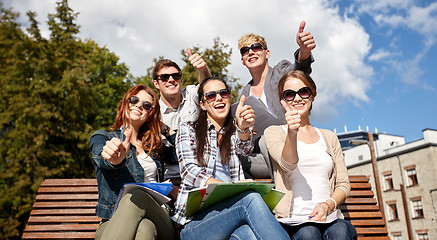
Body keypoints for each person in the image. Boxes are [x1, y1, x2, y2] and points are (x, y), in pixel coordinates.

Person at [172, 77, 290, 239]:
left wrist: (242, 127)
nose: (219, 98)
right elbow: (190, 171)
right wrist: (229, 188)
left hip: (231, 216)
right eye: (211, 96)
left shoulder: (232, 133)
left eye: (223, 93)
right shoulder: (188, 129)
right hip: (194, 223)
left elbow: (245, 149)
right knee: (250, 198)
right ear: (202, 104)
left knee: (249, 235)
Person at [264, 70, 357, 239]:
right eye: (290, 94)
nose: (297, 98)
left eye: (303, 92)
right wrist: (292, 132)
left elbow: (343, 184)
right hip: (293, 222)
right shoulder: (274, 133)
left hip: (330, 218)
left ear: (312, 96)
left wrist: (327, 206)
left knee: (341, 231)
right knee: (309, 233)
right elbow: (288, 163)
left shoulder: (329, 137)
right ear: (282, 100)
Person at [89, 85, 177, 240]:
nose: (138, 105)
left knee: (136, 196)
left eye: (146, 105)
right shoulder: (103, 138)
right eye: (134, 100)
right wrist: (114, 160)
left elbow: (182, 155)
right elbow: (102, 157)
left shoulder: (155, 147)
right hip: (113, 222)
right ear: (125, 103)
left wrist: (167, 130)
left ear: (150, 114)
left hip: (159, 217)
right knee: (145, 228)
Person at [237, 21, 316, 179]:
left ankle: (288, 187)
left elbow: (299, 71)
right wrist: (245, 129)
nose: (251, 52)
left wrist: (304, 51)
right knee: (233, 158)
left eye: (256, 47)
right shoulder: (245, 94)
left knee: (269, 136)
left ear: (267, 53)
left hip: (292, 141)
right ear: (242, 60)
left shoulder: (281, 71)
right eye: (245, 50)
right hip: (264, 153)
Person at [152, 49, 211, 199]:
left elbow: (208, 88)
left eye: (175, 76)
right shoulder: (151, 112)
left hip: (201, 175)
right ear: (156, 84)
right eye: (164, 77)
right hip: (170, 182)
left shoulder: (192, 94)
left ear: (181, 80)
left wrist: (202, 69)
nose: (171, 79)